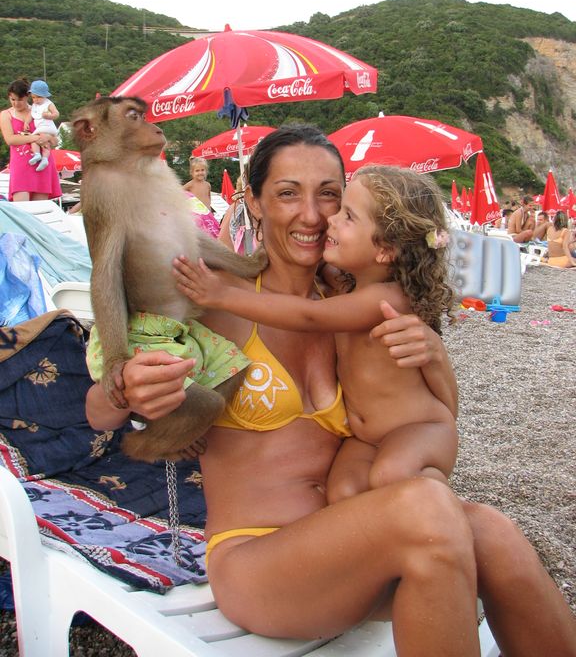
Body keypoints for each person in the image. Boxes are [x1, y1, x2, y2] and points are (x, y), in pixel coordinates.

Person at [86, 126, 576, 656]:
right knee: (428, 511)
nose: (313, 215)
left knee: (496, 534)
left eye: (329, 195)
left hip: (361, 549)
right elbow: (97, 415)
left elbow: (437, 415)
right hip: (261, 565)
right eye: (287, 193)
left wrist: (434, 352)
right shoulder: (217, 298)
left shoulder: (354, 305)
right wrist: (126, 390)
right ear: (253, 201)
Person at [176, 165, 458, 500]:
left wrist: (223, 295)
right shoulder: (349, 287)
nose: (331, 220)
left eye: (348, 216)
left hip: (419, 429)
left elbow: (309, 316)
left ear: (385, 250)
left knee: (391, 475)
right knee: (341, 493)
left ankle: (444, 513)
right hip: (366, 439)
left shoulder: (388, 300)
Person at [0, 79, 62, 202]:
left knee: (39, 209)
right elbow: (10, 139)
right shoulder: (6, 114)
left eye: (20, 100)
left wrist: (48, 138)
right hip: (20, 165)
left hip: (42, 164)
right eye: (13, 99)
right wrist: (36, 138)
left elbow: (55, 141)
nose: (16, 103)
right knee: (21, 208)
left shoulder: (40, 110)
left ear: (28, 96)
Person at [28, 79, 59, 172]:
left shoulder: (48, 104)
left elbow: (56, 114)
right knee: (43, 142)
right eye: (33, 97)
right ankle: (43, 158)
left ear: (45, 96)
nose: (36, 100)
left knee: (34, 139)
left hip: (47, 127)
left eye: (38, 97)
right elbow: (31, 115)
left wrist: (49, 116)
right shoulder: (34, 105)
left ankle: (38, 154)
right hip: (42, 128)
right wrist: (26, 122)